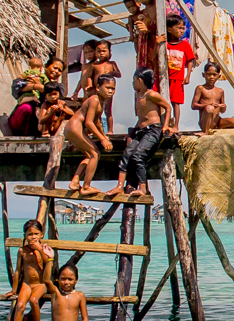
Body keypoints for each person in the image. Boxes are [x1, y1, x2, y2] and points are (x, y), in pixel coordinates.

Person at [107, 67, 174, 202]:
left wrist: (165, 125)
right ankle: (120, 186)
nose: (132, 83)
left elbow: (168, 107)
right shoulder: (138, 96)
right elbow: (142, 117)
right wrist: (133, 131)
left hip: (153, 130)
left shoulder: (152, 94)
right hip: (141, 131)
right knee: (127, 154)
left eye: (133, 80)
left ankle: (142, 188)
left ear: (140, 80)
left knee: (138, 156)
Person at [0, 219, 59, 321]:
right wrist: (14, 290)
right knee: (20, 305)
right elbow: (18, 271)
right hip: (27, 283)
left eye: (36, 234)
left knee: (33, 300)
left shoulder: (44, 249)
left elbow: (48, 265)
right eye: (30, 234)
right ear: (25, 236)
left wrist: (40, 249)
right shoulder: (22, 251)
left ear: (41, 235)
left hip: (41, 284)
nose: (33, 237)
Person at [64, 74, 118, 195]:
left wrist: (104, 136)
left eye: (113, 88)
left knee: (90, 156)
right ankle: (86, 187)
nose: (110, 91)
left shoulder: (102, 102)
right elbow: (88, 123)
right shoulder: (94, 99)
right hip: (75, 127)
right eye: (107, 87)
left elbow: (97, 122)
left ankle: (75, 181)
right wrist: (102, 140)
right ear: (98, 87)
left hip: (73, 129)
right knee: (95, 154)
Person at [77, 39, 122, 131]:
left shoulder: (111, 63)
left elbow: (119, 74)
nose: (101, 53)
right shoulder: (94, 65)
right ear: (95, 53)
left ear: (109, 52)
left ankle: (110, 130)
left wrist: (112, 73)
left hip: (108, 90)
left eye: (104, 51)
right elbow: (89, 77)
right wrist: (89, 85)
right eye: (99, 51)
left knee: (108, 110)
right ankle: (98, 130)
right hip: (98, 90)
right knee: (97, 111)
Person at [164, 13, 196, 108]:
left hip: (178, 78)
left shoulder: (185, 44)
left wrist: (188, 75)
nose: (182, 31)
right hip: (165, 76)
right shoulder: (165, 44)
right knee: (163, 100)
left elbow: (190, 60)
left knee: (176, 102)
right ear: (169, 29)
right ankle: (167, 120)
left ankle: (176, 123)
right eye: (179, 28)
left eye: (183, 28)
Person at [193, 61, 233, 131]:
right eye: (209, 74)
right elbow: (193, 105)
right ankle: (205, 132)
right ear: (204, 75)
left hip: (217, 122)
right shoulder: (200, 88)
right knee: (209, 108)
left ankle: (221, 133)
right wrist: (207, 105)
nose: (211, 77)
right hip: (204, 122)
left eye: (214, 75)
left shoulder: (220, 91)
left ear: (219, 76)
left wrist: (223, 107)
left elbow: (222, 111)